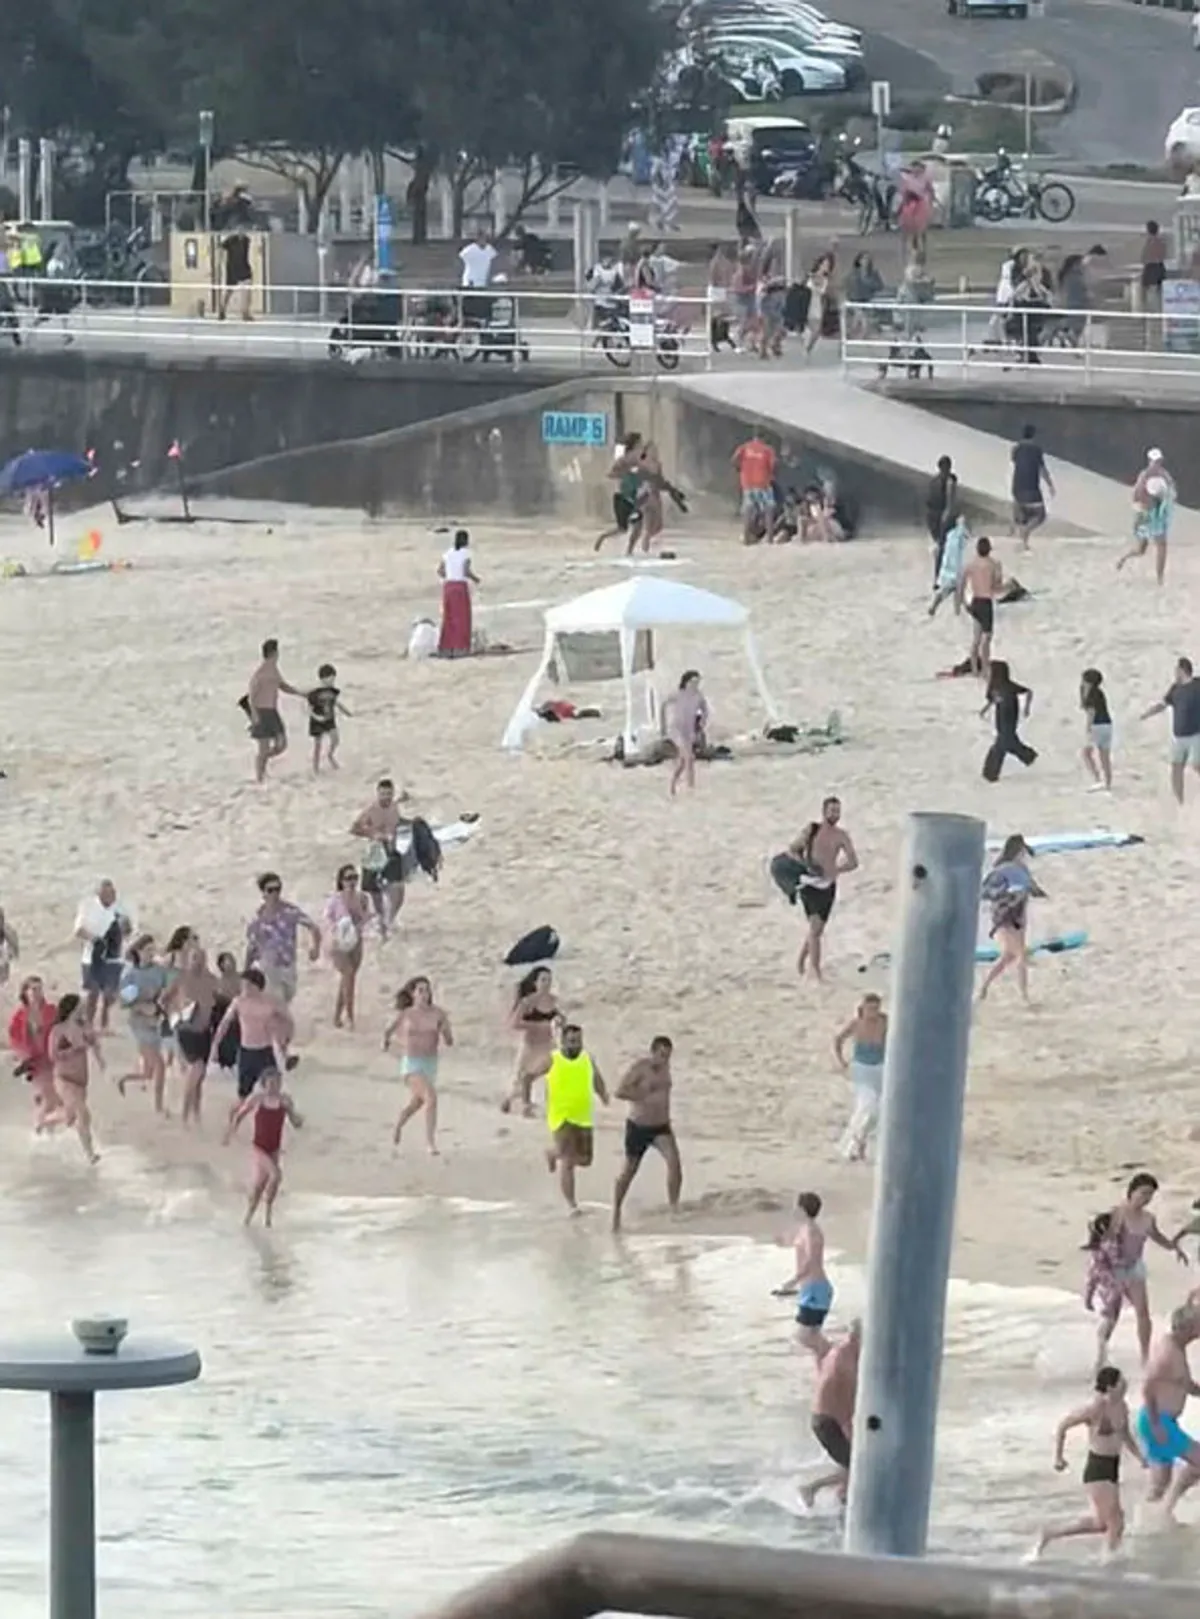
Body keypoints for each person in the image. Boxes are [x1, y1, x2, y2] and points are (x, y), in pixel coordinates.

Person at [1027, 1367, 1141, 1563]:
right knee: (1115, 1520)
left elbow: (1125, 1435)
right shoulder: (1094, 1409)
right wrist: (1058, 1458)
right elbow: (1063, 1425)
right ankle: (1109, 1560)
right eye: (1121, 1382)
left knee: (1100, 1523)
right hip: (1097, 1467)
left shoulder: (1122, 1406)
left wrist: (1141, 1457)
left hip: (1113, 1465)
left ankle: (1051, 1533)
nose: (1125, 1384)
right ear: (1110, 1387)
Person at [1101, 1172, 1185, 1366]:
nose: (1146, 1198)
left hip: (1135, 1268)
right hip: (1114, 1269)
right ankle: (1101, 1354)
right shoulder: (1117, 1214)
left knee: (1143, 1314)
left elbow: (1157, 1236)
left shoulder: (1148, 1218)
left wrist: (1174, 1247)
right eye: (1143, 1193)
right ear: (1132, 1191)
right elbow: (1105, 1241)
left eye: (1150, 1195)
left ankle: (1145, 1357)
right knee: (1112, 1315)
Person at [525, 1024, 609, 1215]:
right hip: (561, 1116)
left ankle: (553, 1153)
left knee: (586, 1160)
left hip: (583, 1116)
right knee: (568, 1161)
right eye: (571, 1041)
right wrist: (526, 1103)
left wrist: (603, 1095)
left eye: (578, 1041)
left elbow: (596, 1079)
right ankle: (571, 1205)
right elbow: (527, 1077)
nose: (576, 1045)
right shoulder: (552, 1059)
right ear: (563, 1041)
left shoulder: (587, 1058)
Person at [611, 1036, 681, 1232]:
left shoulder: (666, 1069)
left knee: (674, 1163)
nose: (665, 1060)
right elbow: (619, 1091)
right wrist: (640, 1095)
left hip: (661, 1126)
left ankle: (674, 1209)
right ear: (653, 1052)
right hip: (639, 1127)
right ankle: (616, 1211)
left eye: (668, 1056)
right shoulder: (640, 1068)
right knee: (629, 1172)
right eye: (662, 1055)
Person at [1136, 1305, 1200, 1519]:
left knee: (1159, 1485)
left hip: (1160, 1421)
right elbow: (1147, 1386)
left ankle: (1146, 1522)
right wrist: (1156, 1424)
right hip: (1157, 1422)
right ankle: (1166, 1510)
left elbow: (1185, 1384)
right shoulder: (1168, 1352)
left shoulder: (1176, 1347)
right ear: (1188, 1328)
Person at [789, 797, 859, 983]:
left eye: (838, 811)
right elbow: (793, 849)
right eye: (832, 810)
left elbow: (853, 862)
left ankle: (801, 960)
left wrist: (837, 869)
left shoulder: (841, 836)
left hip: (828, 885)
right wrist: (805, 864)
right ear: (824, 811)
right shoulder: (812, 830)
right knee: (815, 926)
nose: (835, 814)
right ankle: (815, 970)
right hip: (809, 883)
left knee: (817, 929)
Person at [211, 968, 295, 1122]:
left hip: (265, 1052)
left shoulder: (271, 1002)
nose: (244, 988)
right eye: (243, 985)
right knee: (243, 1097)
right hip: (246, 1053)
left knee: (273, 1092)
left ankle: (289, 1120)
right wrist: (215, 1047)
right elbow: (224, 1024)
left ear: (257, 986)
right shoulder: (239, 1002)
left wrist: (286, 1037)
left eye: (247, 985)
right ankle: (232, 1125)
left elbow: (288, 1019)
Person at [224, 1068, 303, 1227]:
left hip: (274, 1149)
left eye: (277, 1083)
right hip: (259, 1148)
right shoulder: (257, 1099)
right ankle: (268, 1219)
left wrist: (298, 1119)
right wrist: (230, 1133)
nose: (274, 1087)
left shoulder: (285, 1100)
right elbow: (240, 1115)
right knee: (276, 1175)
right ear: (264, 1084)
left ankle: (248, 1219)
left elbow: (295, 1122)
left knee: (259, 1187)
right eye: (271, 1083)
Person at [384, 975, 453, 1155]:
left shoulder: (438, 1013)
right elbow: (388, 1032)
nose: (424, 994)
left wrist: (445, 1031)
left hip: (430, 1063)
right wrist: (388, 1046)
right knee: (431, 1097)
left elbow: (449, 1040)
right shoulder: (406, 1014)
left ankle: (400, 1122)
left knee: (418, 1102)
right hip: (411, 1063)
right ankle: (430, 1143)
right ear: (413, 994)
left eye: (427, 990)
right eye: (420, 990)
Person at [798, 1320, 862, 1511]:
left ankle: (842, 1498)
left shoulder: (837, 1352)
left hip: (821, 1417)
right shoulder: (847, 1364)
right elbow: (846, 1407)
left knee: (848, 1461)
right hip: (829, 1421)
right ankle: (811, 1488)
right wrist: (850, 1431)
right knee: (857, 1467)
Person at [977, 834, 1044, 1005]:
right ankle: (1024, 997)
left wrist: (1038, 892)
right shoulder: (1002, 870)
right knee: (1019, 955)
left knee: (1008, 956)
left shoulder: (1021, 869)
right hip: (1005, 916)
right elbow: (986, 892)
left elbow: (1031, 887)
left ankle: (983, 988)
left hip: (1019, 916)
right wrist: (1007, 893)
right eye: (1022, 852)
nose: (1024, 855)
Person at [244, 872, 320, 1007]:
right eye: (270, 890)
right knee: (277, 1003)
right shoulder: (257, 920)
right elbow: (251, 948)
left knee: (287, 997)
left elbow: (313, 927)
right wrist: (246, 972)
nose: (275, 894)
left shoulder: (290, 911)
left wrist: (315, 948)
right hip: (268, 967)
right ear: (263, 893)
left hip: (289, 966)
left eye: (277, 889)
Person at [169, 939, 223, 1128]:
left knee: (200, 1078)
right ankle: (184, 1115)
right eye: (194, 958)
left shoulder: (211, 980)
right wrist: (175, 1016)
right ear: (188, 959)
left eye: (201, 958)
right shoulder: (180, 978)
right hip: (186, 1030)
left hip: (205, 1032)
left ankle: (196, 1114)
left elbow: (220, 1002)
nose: (197, 961)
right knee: (196, 1069)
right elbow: (163, 1000)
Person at [773, 1191, 834, 1356]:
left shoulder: (811, 1231)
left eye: (796, 1207)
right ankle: (829, 1364)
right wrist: (782, 1240)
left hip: (816, 1289)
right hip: (809, 1288)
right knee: (813, 1337)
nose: (794, 1210)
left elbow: (811, 1261)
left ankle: (838, 1355)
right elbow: (795, 1243)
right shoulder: (805, 1229)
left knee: (804, 1337)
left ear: (802, 1209)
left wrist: (791, 1282)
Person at [46, 993, 103, 1164]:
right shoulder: (58, 1030)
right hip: (64, 1078)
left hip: (81, 1080)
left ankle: (45, 1121)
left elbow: (94, 1043)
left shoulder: (84, 1027)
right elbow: (53, 1055)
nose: (84, 1009)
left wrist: (101, 1060)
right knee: (83, 1114)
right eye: (81, 1006)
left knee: (70, 1117)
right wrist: (74, 1050)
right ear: (72, 1008)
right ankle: (90, 1154)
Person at [117, 933, 170, 1114]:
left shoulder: (159, 971)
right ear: (138, 952)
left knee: (148, 1072)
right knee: (160, 1065)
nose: (151, 953)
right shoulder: (131, 975)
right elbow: (125, 1003)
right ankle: (159, 1106)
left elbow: (167, 990)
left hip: (156, 1021)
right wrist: (142, 1007)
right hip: (139, 1023)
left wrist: (162, 1004)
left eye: (152, 950)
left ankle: (124, 1079)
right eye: (147, 950)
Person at [351, 778, 410, 937]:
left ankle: (389, 919)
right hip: (375, 853)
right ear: (377, 794)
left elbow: (396, 817)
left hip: (392, 852)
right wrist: (373, 834)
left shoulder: (394, 806)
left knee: (399, 890)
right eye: (383, 794)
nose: (386, 797)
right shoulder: (371, 810)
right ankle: (381, 922)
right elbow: (354, 828)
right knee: (375, 893)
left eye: (388, 794)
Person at [73, 878, 132, 1031]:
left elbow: (128, 931)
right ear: (99, 894)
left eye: (112, 893)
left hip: (114, 956)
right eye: (106, 893)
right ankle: (88, 1024)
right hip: (92, 956)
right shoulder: (88, 907)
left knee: (110, 993)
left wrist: (125, 927)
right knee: (92, 993)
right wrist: (95, 939)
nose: (111, 896)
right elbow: (78, 930)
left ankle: (104, 1023)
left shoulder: (121, 907)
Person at [1140, 656, 1200, 805]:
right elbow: (1163, 704)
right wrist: (1148, 713)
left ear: (1182, 670)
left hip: (1197, 734)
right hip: (1179, 736)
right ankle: (1179, 802)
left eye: (1176, 670)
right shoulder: (1175, 688)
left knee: (1197, 765)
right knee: (1176, 768)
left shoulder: (1198, 684)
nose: (1174, 673)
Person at [834, 994, 887, 1162]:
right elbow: (838, 1039)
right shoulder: (856, 1024)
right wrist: (842, 1061)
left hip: (880, 1068)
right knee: (866, 1106)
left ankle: (861, 1141)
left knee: (877, 1112)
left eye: (876, 1008)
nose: (873, 1012)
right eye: (869, 1009)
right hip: (862, 1069)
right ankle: (848, 1147)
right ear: (863, 1009)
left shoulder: (884, 1022)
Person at [244, 639, 303, 784]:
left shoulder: (274, 671)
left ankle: (262, 761)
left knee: (281, 745)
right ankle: (260, 776)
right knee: (263, 747)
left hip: (272, 712)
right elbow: (252, 694)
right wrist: (254, 714)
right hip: (261, 711)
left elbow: (283, 686)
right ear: (274, 653)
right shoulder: (260, 673)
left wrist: (300, 693)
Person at [503, 966, 561, 1115]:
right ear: (535, 983)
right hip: (530, 1045)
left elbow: (559, 1017)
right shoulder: (527, 1002)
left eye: (549, 980)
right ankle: (515, 1102)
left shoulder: (553, 1000)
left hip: (548, 1044)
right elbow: (514, 1023)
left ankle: (552, 1104)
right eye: (543, 980)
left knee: (554, 1073)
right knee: (521, 1078)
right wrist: (537, 1026)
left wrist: (560, 1022)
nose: (547, 983)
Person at [8, 974, 58, 1132]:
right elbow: (14, 1038)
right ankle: (40, 1128)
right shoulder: (20, 1015)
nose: (37, 993)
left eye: (39, 989)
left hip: (52, 1059)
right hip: (34, 1062)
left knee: (50, 1098)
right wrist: (22, 1056)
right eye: (33, 989)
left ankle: (46, 1130)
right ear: (25, 992)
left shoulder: (52, 1010)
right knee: (47, 1096)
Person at [1118, 449, 1175, 586]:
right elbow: (1136, 496)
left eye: (1158, 461)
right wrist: (1141, 511)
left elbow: (1171, 492)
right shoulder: (1144, 475)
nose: (1156, 463)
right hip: (1146, 514)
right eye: (1154, 461)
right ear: (1149, 461)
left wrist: (1165, 502)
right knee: (1141, 549)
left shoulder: (1164, 475)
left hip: (1158, 514)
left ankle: (1160, 578)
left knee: (1162, 545)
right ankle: (1124, 559)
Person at [324, 863, 371, 1030]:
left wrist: (359, 922)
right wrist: (338, 930)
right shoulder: (335, 900)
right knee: (348, 974)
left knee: (348, 980)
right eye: (348, 878)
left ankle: (337, 1015)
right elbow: (328, 919)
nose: (352, 881)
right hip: (338, 943)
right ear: (341, 881)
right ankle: (350, 1016)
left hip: (356, 941)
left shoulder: (362, 898)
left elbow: (366, 917)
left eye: (354, 878)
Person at [981, 660, 1035, 784]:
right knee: (1008, 741)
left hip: (1010, 715)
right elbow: (992, 700)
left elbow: (1028, 692)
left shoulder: (1008, 686)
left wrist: (1027, 708)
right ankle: (1029, 757)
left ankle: (990, 773)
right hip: (1000, 716)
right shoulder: (993, 687)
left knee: (1002, 743)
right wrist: (984, 710)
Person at [957, 536, 1002, 677]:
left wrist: (961, 603)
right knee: (986, 638)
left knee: (976, 638)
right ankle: (985, 669)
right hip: (986, 602)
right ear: (989, 549)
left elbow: (961, 585)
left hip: (975, 601)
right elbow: (996, 587)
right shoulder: (993, 564)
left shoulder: (970, 565)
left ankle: (975, 669)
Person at [595, 434, 645, 553]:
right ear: (635, 444)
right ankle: (604, 538)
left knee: (635, 525)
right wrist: (624, 474)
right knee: (624, 528)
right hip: (623, 497)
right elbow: (611, 474)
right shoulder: (625, 459)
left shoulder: (638, 459)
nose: (642, 445)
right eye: (640, 443)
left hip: (631, 497)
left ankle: (629, 550)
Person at [1011, 424, 1055, 550]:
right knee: (1040, 515)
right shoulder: (1036, 450)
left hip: (1016, 488)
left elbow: (1015, 464)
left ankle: (1024, 542)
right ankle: (1026, 532)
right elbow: (1042, 470)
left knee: (1023, 516)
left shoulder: (1015, 449)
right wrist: (1050, 485)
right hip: (1031, 489)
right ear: (1033, 435)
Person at [437, 529, 479, 658]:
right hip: (460, 587)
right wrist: (475, 579)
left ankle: (447, 647)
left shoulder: (447, 553)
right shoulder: (466, 553)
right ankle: (461, 647)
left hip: (448, 586)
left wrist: (450, 575)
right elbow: (466, 571)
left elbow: (440, 571)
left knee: (449, 617)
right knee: (462, 618)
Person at [666, 670, 708, 796]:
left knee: (684, 762)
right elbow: (664, 704)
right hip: (676, 729)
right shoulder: (678, 694)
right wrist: (662, 724)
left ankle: (673, 784)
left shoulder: (699, 696)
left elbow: (705, 711)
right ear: (686, 682)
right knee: (689, 758)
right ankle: (690, 786)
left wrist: (702, 724)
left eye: (697, 682)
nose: (695, 685)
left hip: (689, 731)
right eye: (693, 682)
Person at [732, 430, 777, 544]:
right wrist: (771, 475)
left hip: (747, 483)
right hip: (763, 483)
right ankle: (769, 539)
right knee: (769, 509)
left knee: (748, 509)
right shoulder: (768, 450)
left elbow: (734, 459)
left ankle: (746, 537)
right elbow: (773, 465)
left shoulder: (744, 447)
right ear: (765, 438)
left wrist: (740, 469)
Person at [307, 662, 350, 774]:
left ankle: (330, 755)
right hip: (317, 721)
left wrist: (345, 711)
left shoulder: (333, 691)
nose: (332, 681)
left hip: (330, 719)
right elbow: (309, 708)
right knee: (318, 745)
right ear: (323, 679)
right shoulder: (315, 693)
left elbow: (335, 702)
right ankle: (315, 768)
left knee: (336, 739)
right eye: (330, 679)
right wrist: (316, 717)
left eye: (333, 679)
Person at [925, 455, 959, 586]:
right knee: (944, 548)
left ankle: (940, 577)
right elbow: (950, 502)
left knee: (942, 547)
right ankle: (940, 577)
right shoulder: (949, 481)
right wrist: (947, 517)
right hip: (939, 517)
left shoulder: (935, 481)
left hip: (933, 516)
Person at [928, 514, 969, 618]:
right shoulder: (958, 534)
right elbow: (963, 542)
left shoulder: (949, 535)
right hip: (956, 567)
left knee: (943, 590)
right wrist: (962, 526)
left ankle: (934, 606)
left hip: (947, 566)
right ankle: (957, 611)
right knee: (958, 590)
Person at [1079, 668, 1113, 792]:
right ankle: (1107, 782)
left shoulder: (1091, 694)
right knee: (1104, 756)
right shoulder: (1099, 692)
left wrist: (1088, 728)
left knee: (1086, 753)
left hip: (1097, 725)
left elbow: (1091, 712)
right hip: (1107, 724)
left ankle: (1097, 780)